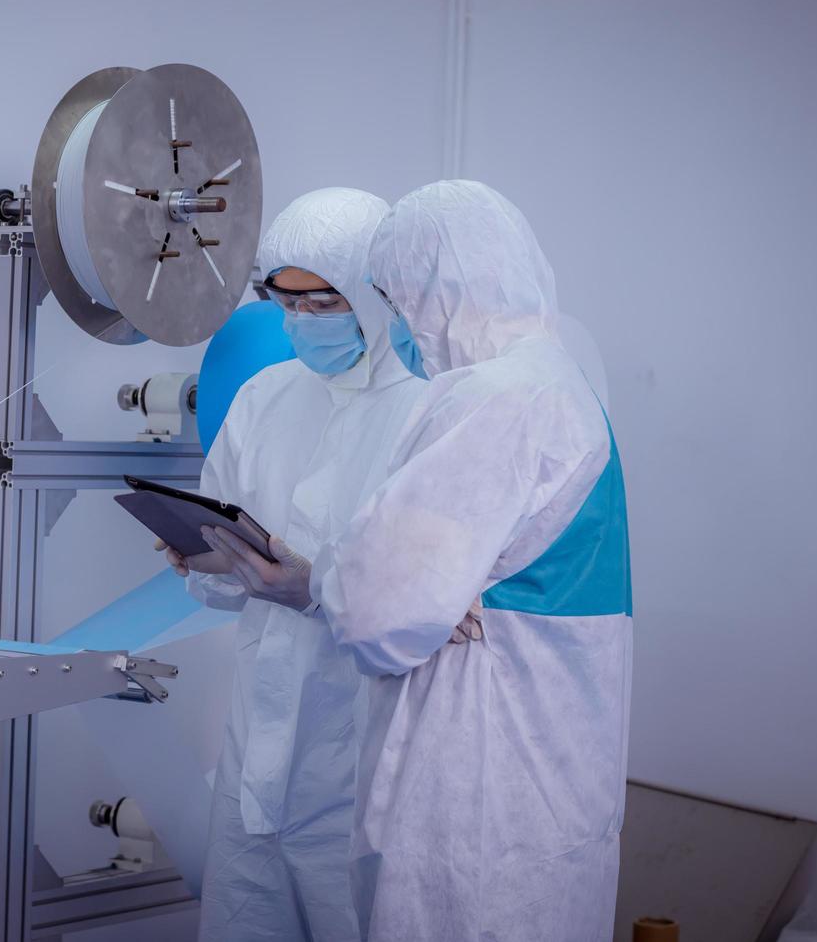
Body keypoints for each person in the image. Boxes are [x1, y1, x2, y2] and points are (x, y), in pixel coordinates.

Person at [202, 180, 632, 941]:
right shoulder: (556, 385)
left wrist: (325, 583)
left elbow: (382, 612)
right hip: (541, 778)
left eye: (393, 300)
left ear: (435, 286)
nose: (397, 322)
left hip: (479, 779)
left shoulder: (494, 398)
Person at [160, 187, 427, 941]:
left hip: (361, 750)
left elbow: (430, 599)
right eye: (285, 302)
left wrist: (315, 590)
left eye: (322, 303)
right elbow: (225, 574)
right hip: (257, 740)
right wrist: (201, 555)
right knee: (246, 911)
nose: (300, 322)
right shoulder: (265, 397)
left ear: (376, 295)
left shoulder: (427, 411)